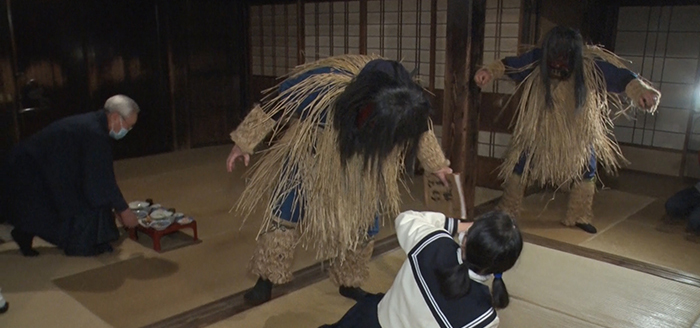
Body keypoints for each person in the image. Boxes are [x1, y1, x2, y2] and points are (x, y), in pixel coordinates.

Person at [227, 54, 452, 305]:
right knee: (285, 211)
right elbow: (276, 102)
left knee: (366, 223)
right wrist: (244, 142)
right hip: (312, 151)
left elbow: (421, 128)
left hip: (366, 162)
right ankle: (265, 279)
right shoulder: (322, 86)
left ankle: (349, 280)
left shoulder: (406, 100)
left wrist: (437, 166)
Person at [282, 209, 523, 328]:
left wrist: (455, 224)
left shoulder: (432, 241)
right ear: (502, 267)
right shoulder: (483, 318)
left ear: (468, 236)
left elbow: (405, 218)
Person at [474, 26, 661, 234]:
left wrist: (641, 91)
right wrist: (488, 71)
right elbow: (510, 65)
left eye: (563, 58)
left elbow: (623, 77)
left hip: (577, 133)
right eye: (553, 57)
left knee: (586, 169)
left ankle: (579, 215)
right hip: (540, 129)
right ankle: (507, 211)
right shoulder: (538, 59)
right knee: (520, 164)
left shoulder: (590, 66)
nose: (557, 63)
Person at [0, 95, 140, 256]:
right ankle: (24, 233)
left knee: (83, 199)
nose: (128, 131)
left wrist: (116, 205)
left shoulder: (96, 125)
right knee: (46, 210)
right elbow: (103, 180)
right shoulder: (95, 133)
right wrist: (124, 210)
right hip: (26, 167)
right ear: (115, 117)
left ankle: (23, 232)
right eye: (128, 126)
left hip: (38, 164)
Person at [661, 151, 700, 242]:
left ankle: (693, 217)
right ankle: (691, 214)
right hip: (697, 191)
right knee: (671, 205)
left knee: (696, 222)